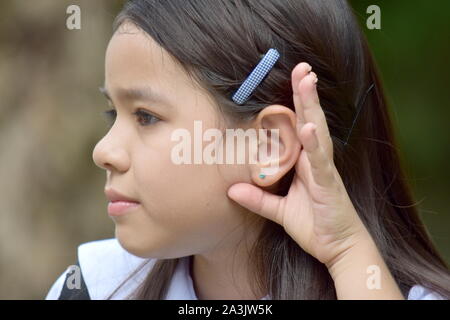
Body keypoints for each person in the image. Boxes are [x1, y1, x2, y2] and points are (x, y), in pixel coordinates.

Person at [46, 0, 449, 300]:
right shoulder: (93, 287)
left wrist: (347, 253)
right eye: (111, 112)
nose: (104, 151)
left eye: (146, 116)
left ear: (269, 145)